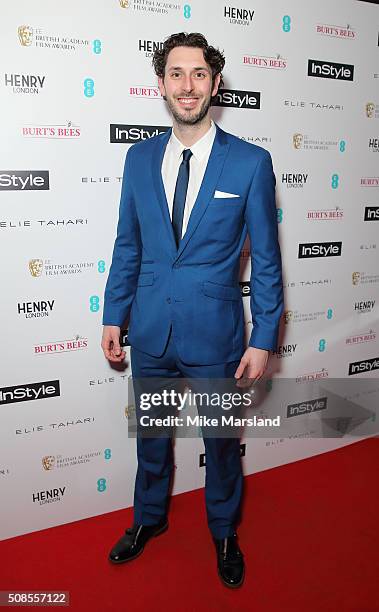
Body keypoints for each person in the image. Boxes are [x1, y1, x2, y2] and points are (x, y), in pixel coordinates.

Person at [101, 32, 283, 588]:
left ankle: (225, 531)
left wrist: (264, 336)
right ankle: (148, 519)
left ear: (215, 83)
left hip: (217, 336)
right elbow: (127, 245)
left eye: (199, 74)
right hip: (151, 329)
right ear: (161, 84)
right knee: (151, 438)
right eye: (176, 74)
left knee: (222, 447)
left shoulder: (251, 163)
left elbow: (269, 262)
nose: (187, 85)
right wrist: (114, 314)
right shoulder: (138, 159)